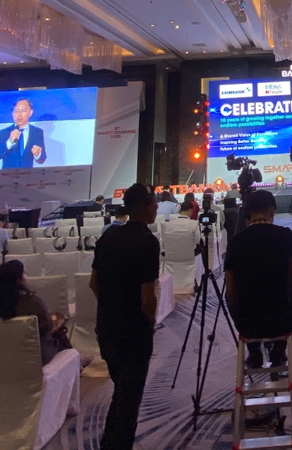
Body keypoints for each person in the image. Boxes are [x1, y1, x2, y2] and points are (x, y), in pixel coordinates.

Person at [91, 183, 160, 449]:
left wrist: (112, 306)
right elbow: (148, 298)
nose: (156, 208)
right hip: (134, 332)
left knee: (121, 392)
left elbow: (94, 284)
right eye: (153, 203)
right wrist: (148, 324)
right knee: (129, 400)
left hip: (106, 327)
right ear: (144, 207)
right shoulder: (147, 241)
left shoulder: (108, 236)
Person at [224, 189, 292, 368]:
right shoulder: (285, 235)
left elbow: (230, 290)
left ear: (247, 213)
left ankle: (254, 351)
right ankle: (279, 349)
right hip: (281, 321)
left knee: (232, 298)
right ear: (272, 210)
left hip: (247, 324)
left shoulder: (235, 242)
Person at [0, 259, 60, 365]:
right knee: (58, 334)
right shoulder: (32, 302)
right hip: (33, 356)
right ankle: (75, 362)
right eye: (24, 274)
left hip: (1, 356)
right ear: (18, 279)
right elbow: (47, 327)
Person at [0, 97, 47, 169]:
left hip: (28, 175)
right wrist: (9, 143)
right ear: (12, 114)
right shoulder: (3, 133)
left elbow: (42, 159)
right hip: (7, 175)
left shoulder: (37, 132)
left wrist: (38, 154)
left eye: (23, 110)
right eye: (16, 111)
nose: (19, 114)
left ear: (30, 112)